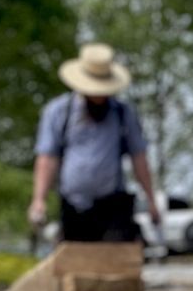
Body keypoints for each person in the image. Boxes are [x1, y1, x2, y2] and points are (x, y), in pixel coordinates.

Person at [29, 43, 161, 242]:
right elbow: (47, 159)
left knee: (117, 264)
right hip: (73, 209)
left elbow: (139, 158)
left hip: (113, 209)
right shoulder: (57, 112)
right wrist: (39, 200)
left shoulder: (124, 114)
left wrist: (151, 199)